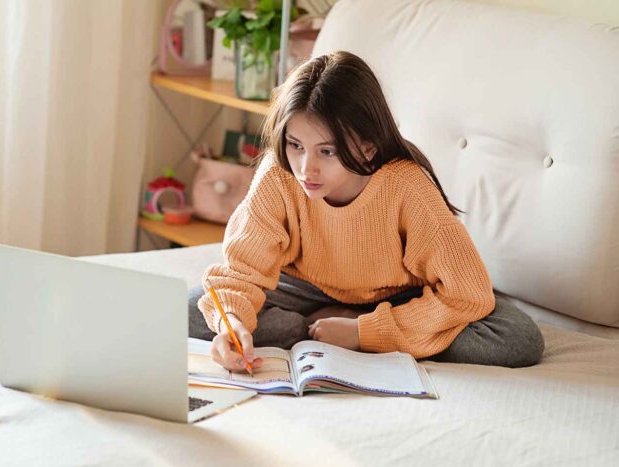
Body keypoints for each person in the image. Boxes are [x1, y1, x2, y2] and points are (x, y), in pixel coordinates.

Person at [188, 51, 544, 373]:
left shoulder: (407, 186)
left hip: (398, 296)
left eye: (327, 152)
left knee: (515, 338)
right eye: (296, 146)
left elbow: (467, 293)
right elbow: (241, 273)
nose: (305, 168)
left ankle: (347, 326)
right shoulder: (279, 175)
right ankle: (315, 325)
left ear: (369, 148)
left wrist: (364, 331)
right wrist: (232, 323)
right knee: (191, 310)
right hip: (305, 289)